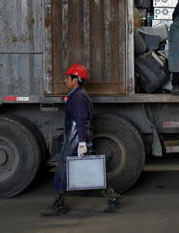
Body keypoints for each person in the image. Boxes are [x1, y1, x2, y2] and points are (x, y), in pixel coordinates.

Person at [40, 63, 123, 217]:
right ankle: (113, 197)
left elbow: (81, 120)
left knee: (63, 171)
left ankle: (58, 205)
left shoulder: (78, 97)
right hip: (77, 139)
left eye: (67, 78)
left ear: (75, 80)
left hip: (76, 139)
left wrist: (82, 143)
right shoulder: (78, 95)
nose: (65, 81)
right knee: (90, 170)